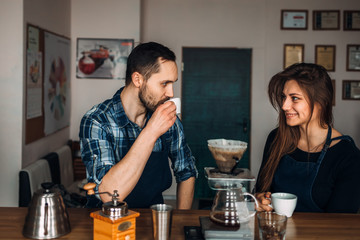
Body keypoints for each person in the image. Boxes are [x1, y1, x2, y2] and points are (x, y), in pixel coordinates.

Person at [79, 42, 198, 209]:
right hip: (105, 221)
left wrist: (181, 222)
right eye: (164, 83)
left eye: (173, 83)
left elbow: (186, 171)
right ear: (138, 79)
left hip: (152, 217)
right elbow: (109, 193)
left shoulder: (168, 120)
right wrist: (151, 131)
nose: (171, 93)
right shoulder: (97, 121)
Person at [255, 63, 360, 213]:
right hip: (275, 234)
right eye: (284, 97)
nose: (284, 106)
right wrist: (260, 200)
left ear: (321, 102)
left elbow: (342, 225)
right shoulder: (276, 138)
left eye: (295, 98)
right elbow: (262, 190)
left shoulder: (348, 157)